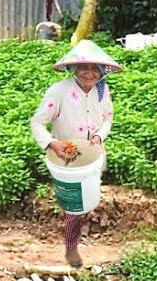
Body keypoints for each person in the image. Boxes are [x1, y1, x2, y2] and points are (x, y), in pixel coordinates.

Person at [29, 39, 122, 267]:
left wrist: (100, 136)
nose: (89, 73)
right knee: (73, 206)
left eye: (94, 69)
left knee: (87, 200)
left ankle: (81, 238)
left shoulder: (102, 90)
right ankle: (71, 249)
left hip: (93, 156)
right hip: (67, 158)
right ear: (74, 69)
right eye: (83, 68)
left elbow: (108, 117)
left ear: (101, 71)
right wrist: (52, 144)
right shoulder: (59, 91)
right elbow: (37, 123)